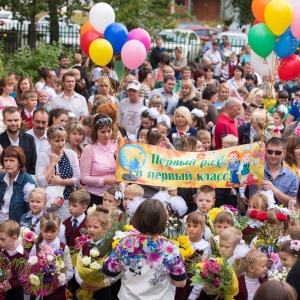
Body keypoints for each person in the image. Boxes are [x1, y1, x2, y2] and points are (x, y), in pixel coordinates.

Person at [103, 199, 187, 299]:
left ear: (137, 218)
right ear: (163, 221)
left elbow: (109, 273)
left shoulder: (124, 244)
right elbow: (180, 283)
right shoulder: (170, 248)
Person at [35, 126, 81, 221]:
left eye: (63, 140)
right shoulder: (43, 156)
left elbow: (77, 179)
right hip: (50, 202)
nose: (60, 144)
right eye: (56, 141)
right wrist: (52, 163)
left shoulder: (71, 154)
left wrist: (61, 181)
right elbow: (41, 182)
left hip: (69, 200)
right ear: (49, 141)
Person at [74, 205, 119, 299]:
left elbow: (116, 272)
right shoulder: (85, 245)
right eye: (89, 226)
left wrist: (102, 284)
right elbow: (77, 267)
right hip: (84, 288)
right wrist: (80, 281)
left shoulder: (110, 247)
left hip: (102, 292)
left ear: (105, 228)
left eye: (95, 227)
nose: (91, 230)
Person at [30, 213, 73, 299]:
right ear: (41, 229)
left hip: (56, 292)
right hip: (39, 289)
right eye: (46, 231)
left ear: (58, 230)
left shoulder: (63, 247)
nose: (49, 235)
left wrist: (58, 281)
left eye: (53, 231)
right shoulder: (36, 246)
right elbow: (30, 265)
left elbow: (69, 271)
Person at [80, 114, 120, 206]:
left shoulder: (118, 144)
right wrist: (105, 181)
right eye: (102, 132)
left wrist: (123, 186)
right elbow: (84, 178)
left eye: (109, 131)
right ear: (96, 132)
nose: (107, 135)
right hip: (96, 195)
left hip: (116, 195)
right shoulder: (89, 149)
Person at [249, 137, 299, 204]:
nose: (273, 155)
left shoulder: (292, 176)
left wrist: (274, 190)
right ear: (265, 151)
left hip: (280, 213)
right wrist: (252, 149)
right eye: (270, 152)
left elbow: (293, 203)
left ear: (284, 153)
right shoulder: (254, 169)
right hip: (255, 213)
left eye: (277, 153)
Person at [175, 212, 210, 300]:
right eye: (189, 225)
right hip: (176, 283)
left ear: (202, 227)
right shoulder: (181, 240)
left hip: (191, 286)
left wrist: (193, 294)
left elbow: (202, 273)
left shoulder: (205, 247)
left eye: (195, 226)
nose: (191, 229)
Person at [0, 146, 36, 222]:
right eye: (5, 160)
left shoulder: (28, 183)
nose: (8, 164)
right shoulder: (1, 178)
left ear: (20, 162)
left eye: (12, 160)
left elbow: (30, 211)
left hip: (16, 227)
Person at [0, 106, 37, 174]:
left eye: (16, 120)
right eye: (9, 120)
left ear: (20, 120)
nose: (13, 123)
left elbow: (33, 165)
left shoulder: (29, 139)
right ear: (4, 121)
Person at [0, 220, 29, 299]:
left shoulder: (23, 255)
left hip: (15, 292)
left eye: (3, 239)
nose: (0, 242)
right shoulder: (2, 250)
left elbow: (24, 277)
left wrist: (10, 285)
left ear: (14, 238)